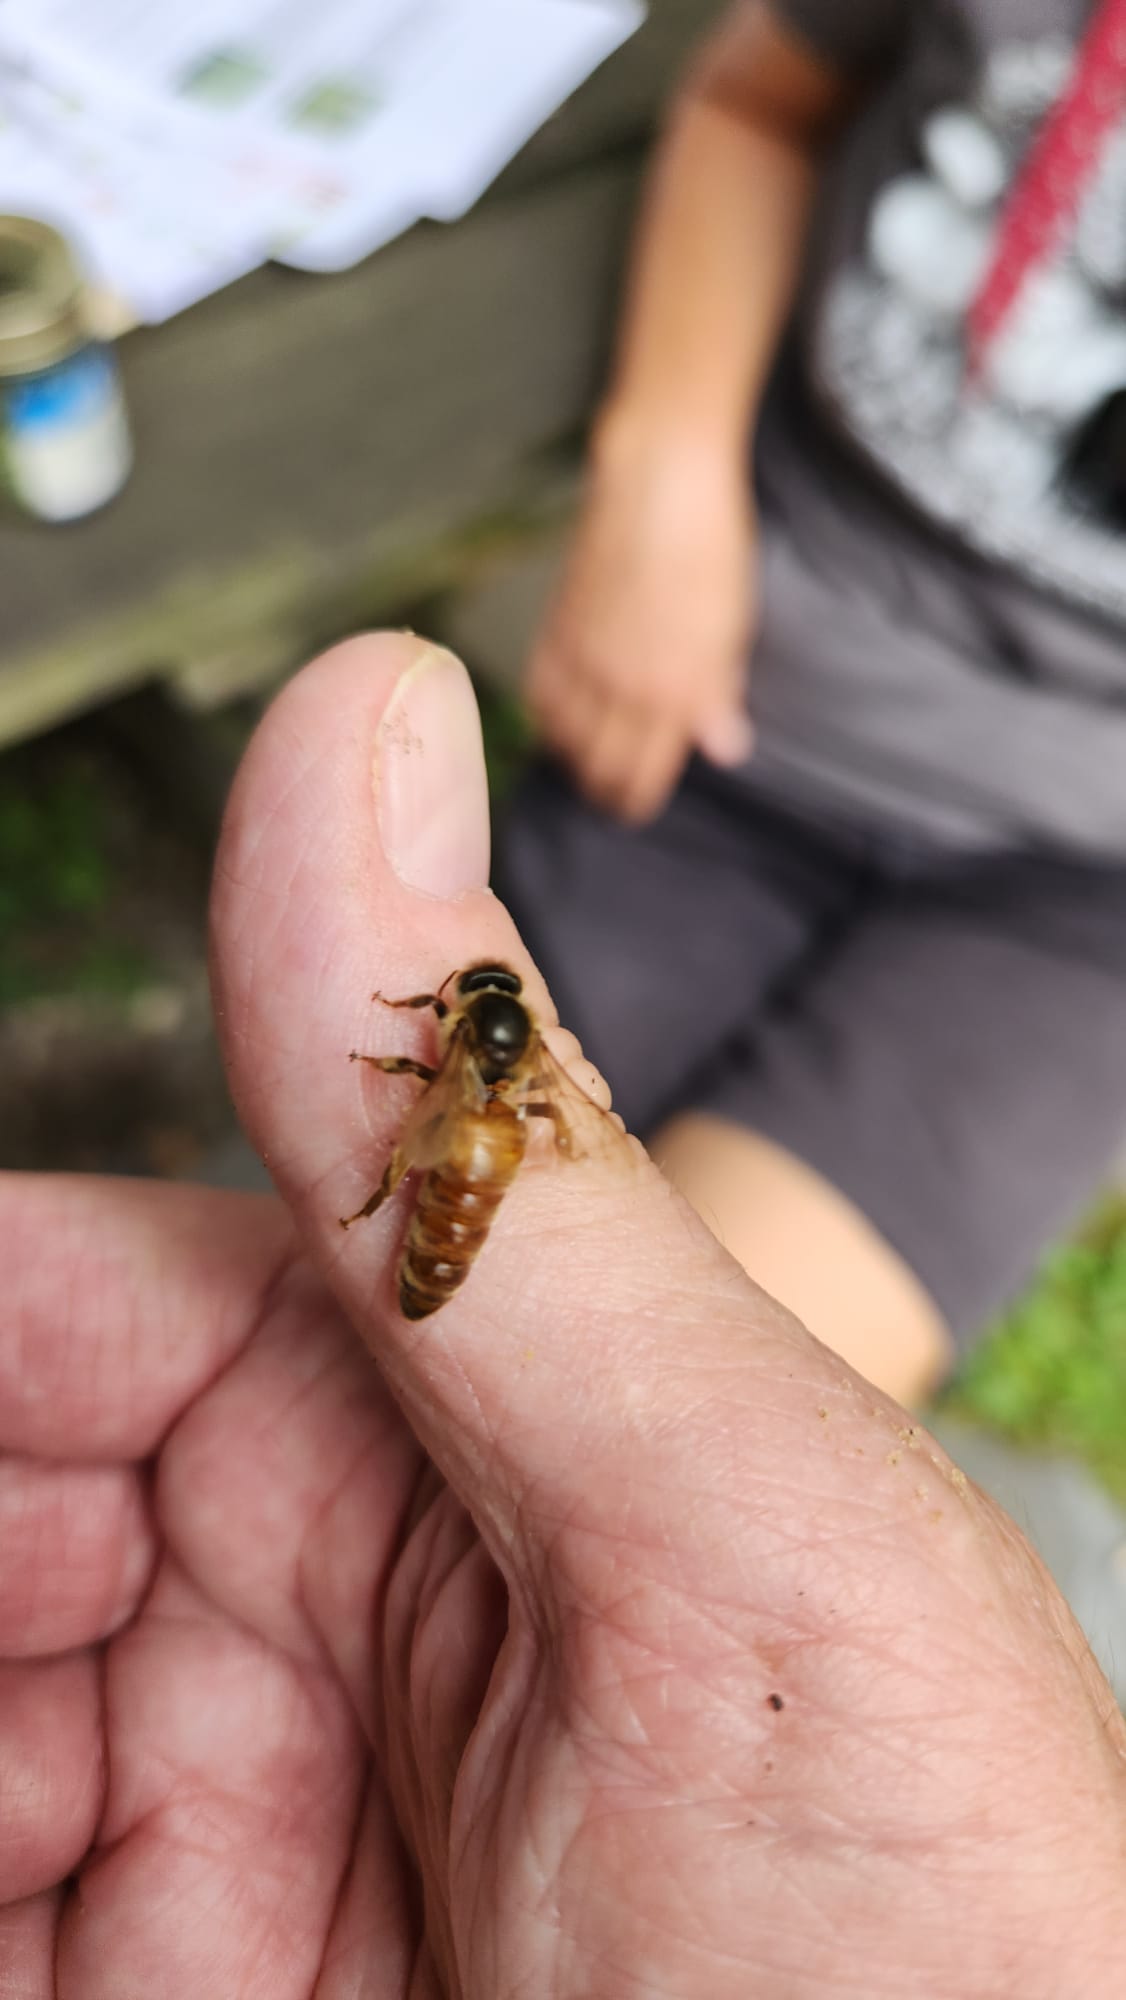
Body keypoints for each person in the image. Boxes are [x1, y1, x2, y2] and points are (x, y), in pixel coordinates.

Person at [4, 634, 1126, 1995]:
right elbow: (508, 1068)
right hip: (497, 1156)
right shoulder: (518, 1065)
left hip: (475, 1168)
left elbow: (440, 1046)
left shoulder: (455, 1049)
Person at [495, 0, 1126, 1409]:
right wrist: (660, 473)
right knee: (437, 1273)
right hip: (727, 709)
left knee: (687, 1421)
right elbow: (755, 100)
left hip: (1078, 893)